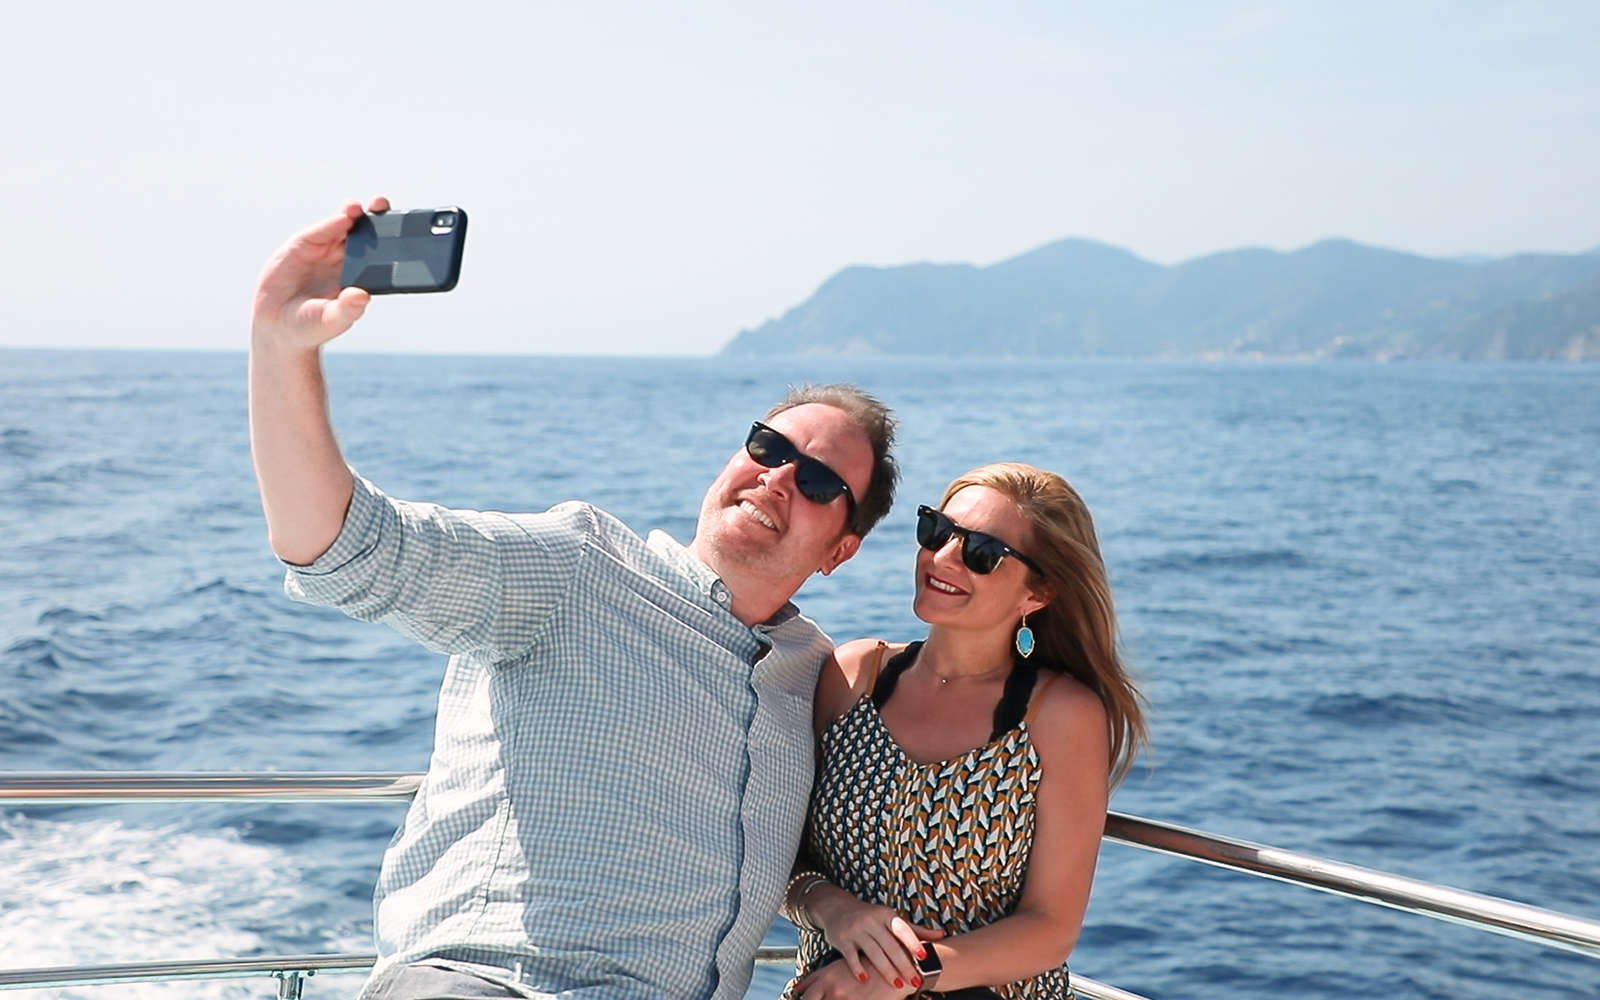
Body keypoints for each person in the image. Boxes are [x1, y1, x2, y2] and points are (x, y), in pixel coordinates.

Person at [248, 198, 899, 1000]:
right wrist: (281, 346)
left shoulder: (810, 676)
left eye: (821, 481)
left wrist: (832, 909)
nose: (777, 477)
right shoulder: (577, 569)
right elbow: (346, 545)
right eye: (768, 447)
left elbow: (801, 849)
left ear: (842, 550)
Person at [780, 463, 1146, 1000]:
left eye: (981, 553)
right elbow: (780, 853)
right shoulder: (854, 675)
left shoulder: (1058, 715)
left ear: (1037, 593)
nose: (943, 558)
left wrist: (900, 975)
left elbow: (1050, 928)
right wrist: (834, 908)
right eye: (937, 531)